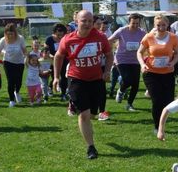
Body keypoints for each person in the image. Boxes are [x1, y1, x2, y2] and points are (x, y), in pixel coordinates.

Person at [53, 10, 112, 159]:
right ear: (76, 22)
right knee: (84, 115)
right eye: (83, 21)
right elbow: (58, 56)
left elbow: (109, 54)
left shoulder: (100, 37)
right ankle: (91, 147)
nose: (87, 24)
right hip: (76, 79)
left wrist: (107, 71)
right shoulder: (68, 39)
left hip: (96, 80)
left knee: (92, 114)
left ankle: (85, 118)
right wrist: (56, 77)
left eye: (90, 21)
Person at [137, 14, 178, 134]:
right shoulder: (148, 37)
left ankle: (162, 121)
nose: (161, 27)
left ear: (167, 24)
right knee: (157, 101)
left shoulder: (173, 37)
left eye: (163, 24)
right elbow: (139, 52)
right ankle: (157, 126)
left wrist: (173, 63)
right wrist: (142, 65)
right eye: (158, 25)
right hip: (151, 73)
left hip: (167, 73)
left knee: (168, 100)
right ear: (154, 25)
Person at [109, 13, 146, 111]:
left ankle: (129, 104)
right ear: (129, 22)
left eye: (137, 23)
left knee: (135, 84)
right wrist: (106, 50)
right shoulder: (122, 31)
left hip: (135, 60)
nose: (135, 25)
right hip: (122, 59)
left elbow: (149, 42)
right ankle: (121, 91)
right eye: (133, 23)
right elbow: (110, 40)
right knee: (127, 79)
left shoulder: (142, 32)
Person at [0, 23, 27, 107]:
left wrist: (26, 58)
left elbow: (24, 50)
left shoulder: (20, 38)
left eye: (11, 34)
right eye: (8, 34)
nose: (10, 35)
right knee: (10, 81)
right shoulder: (3, 40)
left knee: (19, 81)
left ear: (15, 33)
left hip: (20, 62)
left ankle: (17, 92)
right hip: (8, 62)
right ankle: (11, 100)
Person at [45, 23, 68, 100]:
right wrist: (54, 57)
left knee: (64, 77)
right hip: (53, 61)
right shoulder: (49, 39)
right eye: (58, 35)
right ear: (54, 32)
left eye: (61, 35)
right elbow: (46, 51)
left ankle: (63, 94)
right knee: (54, 76)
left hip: (64, 60)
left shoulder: (65, 38)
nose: (60, 36)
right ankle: (50, 87)